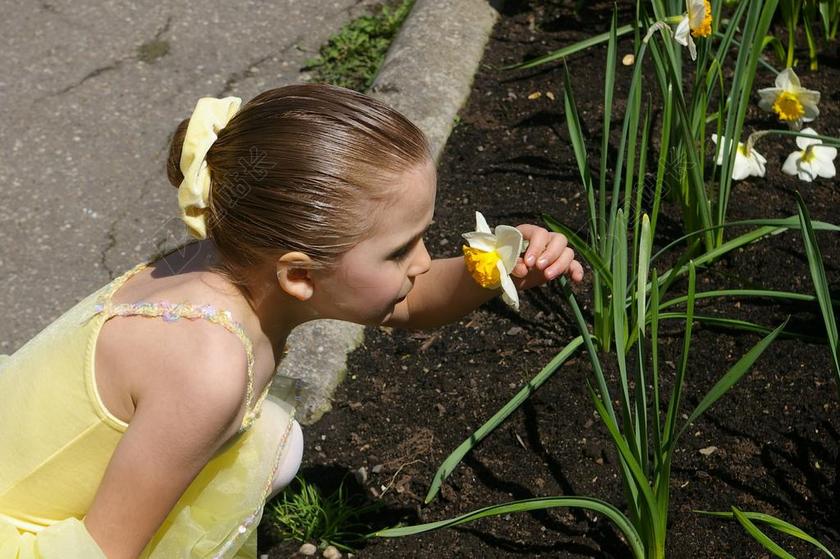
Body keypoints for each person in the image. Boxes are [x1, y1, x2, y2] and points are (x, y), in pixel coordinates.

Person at [0, 83, 584, 559]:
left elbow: (406, 301)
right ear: (300, 276)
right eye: (400, 250)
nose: (425, 261)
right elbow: (102, 551)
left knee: (278, 446)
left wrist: (494, 267)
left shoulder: (229, 253)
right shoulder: (206, 370)